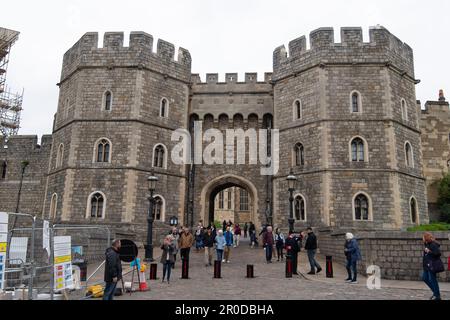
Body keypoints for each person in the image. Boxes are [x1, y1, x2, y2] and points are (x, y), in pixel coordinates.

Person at [422, 232, 443, 300]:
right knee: (424, 278)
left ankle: (437, 295)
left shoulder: (433, 244)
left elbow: (438, 254)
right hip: (426, 265)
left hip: (432, 265)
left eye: (423, 237)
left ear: (426, 237)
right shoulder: (427, 244)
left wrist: (429, 251)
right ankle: (435, 292)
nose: (422, 238)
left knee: (432, 280)